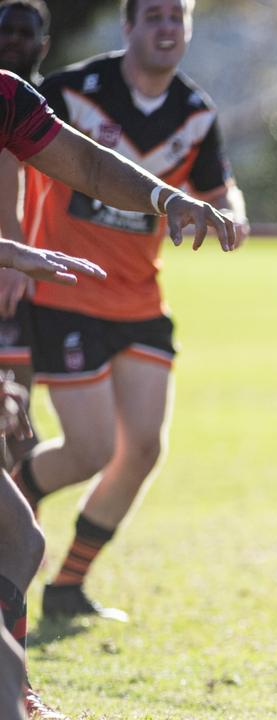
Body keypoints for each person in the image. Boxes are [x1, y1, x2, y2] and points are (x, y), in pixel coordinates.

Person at [0, 60, 234, 720]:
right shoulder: (77, 85)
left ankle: (14, 689)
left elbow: (93, 166)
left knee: (18, 540)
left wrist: (169, 199)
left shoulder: (10, 95)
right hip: (71, 307)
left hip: (133, 305)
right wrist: (11, 249)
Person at [0, 0, 51, 472]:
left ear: (44, 44)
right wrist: (12, 255)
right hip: (10, 273)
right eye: (5, 30)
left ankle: (25, 542)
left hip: (34, 278)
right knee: (11, 414)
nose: (13, 39)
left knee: (19, 412)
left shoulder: (48, 108)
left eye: (24, 32)